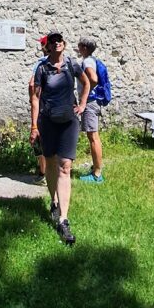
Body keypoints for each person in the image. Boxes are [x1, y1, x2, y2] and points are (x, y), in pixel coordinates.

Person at [30, 31, 90, 245]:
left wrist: (82, 105)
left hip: (69, 121)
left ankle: (63, 220)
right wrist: (34, 126)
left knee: (65, 166)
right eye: (53, 41)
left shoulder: (72, 65)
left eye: (60, 41)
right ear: (48, 47)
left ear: (64, 45)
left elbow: (86, 82)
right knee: (52, 163)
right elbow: (35, 98)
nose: (57, 43)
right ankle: (54, 200)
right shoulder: (42, 69)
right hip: (48, 121)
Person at [77, 37, 104, 183]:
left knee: (93, 137)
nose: (78, 47)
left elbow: (93, 79)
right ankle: (96, 169)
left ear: (85, 48)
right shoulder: (91, 60)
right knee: (93, 136)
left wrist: (85, 95)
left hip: (90, 103)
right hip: (93, 102)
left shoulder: (87, 61)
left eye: (80, 46)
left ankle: (97, 175)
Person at [28, 36, 48, 183]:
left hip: (41, 109)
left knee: (40, 142)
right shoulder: (63, 63)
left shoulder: (41, 64)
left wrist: (33, 98)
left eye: (41, 45)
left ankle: (43, 174)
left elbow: (32, 84)